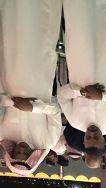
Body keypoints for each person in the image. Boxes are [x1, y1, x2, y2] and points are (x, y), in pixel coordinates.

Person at [60, 0, 106, 168]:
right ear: (104, 141)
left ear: (83, 140)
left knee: (79, 26)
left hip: (80, 66)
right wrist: (102, 96)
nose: (91, 134)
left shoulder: (75, 122)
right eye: (96, 138)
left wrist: (80, 92)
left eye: (88, 138)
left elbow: (61, 96)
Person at [0, 0, 64, 175]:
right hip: (39, 78)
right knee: (41, 34)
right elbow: (55, 111)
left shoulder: (2, 133)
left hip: (11, 73)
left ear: (10, 154)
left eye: (17, 153)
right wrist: (33, 108)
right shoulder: (48, 140)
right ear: (32, 156)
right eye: (25, 154)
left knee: (13, 31)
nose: (21, 149)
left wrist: (11, 102)